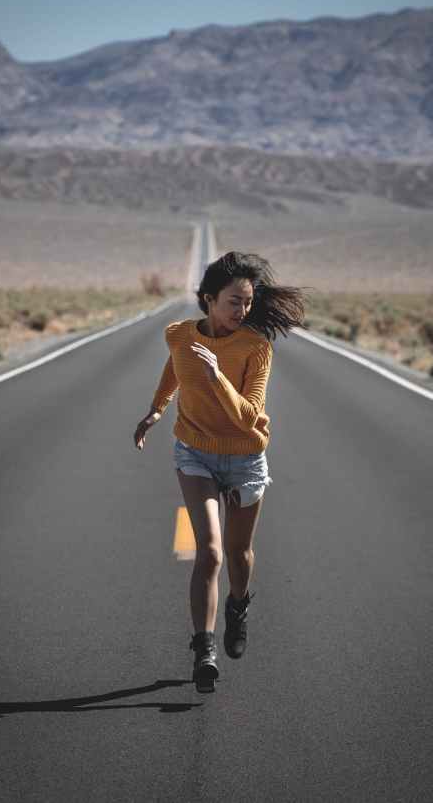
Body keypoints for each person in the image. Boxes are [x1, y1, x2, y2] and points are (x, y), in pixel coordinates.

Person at [133, 251, 306, 692]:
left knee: (238, 553)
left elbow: (248, 416)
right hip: (196, 454)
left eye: (248, 302)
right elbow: (176, 366)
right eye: (234, 302)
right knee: (209, 553)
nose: (242, 311)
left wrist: (217, 378)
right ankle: (204, 650)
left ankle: (238, 606)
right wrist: (156, 410)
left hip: (246, 458)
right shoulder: (179, 335)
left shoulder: (256, 347)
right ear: (209, 299)